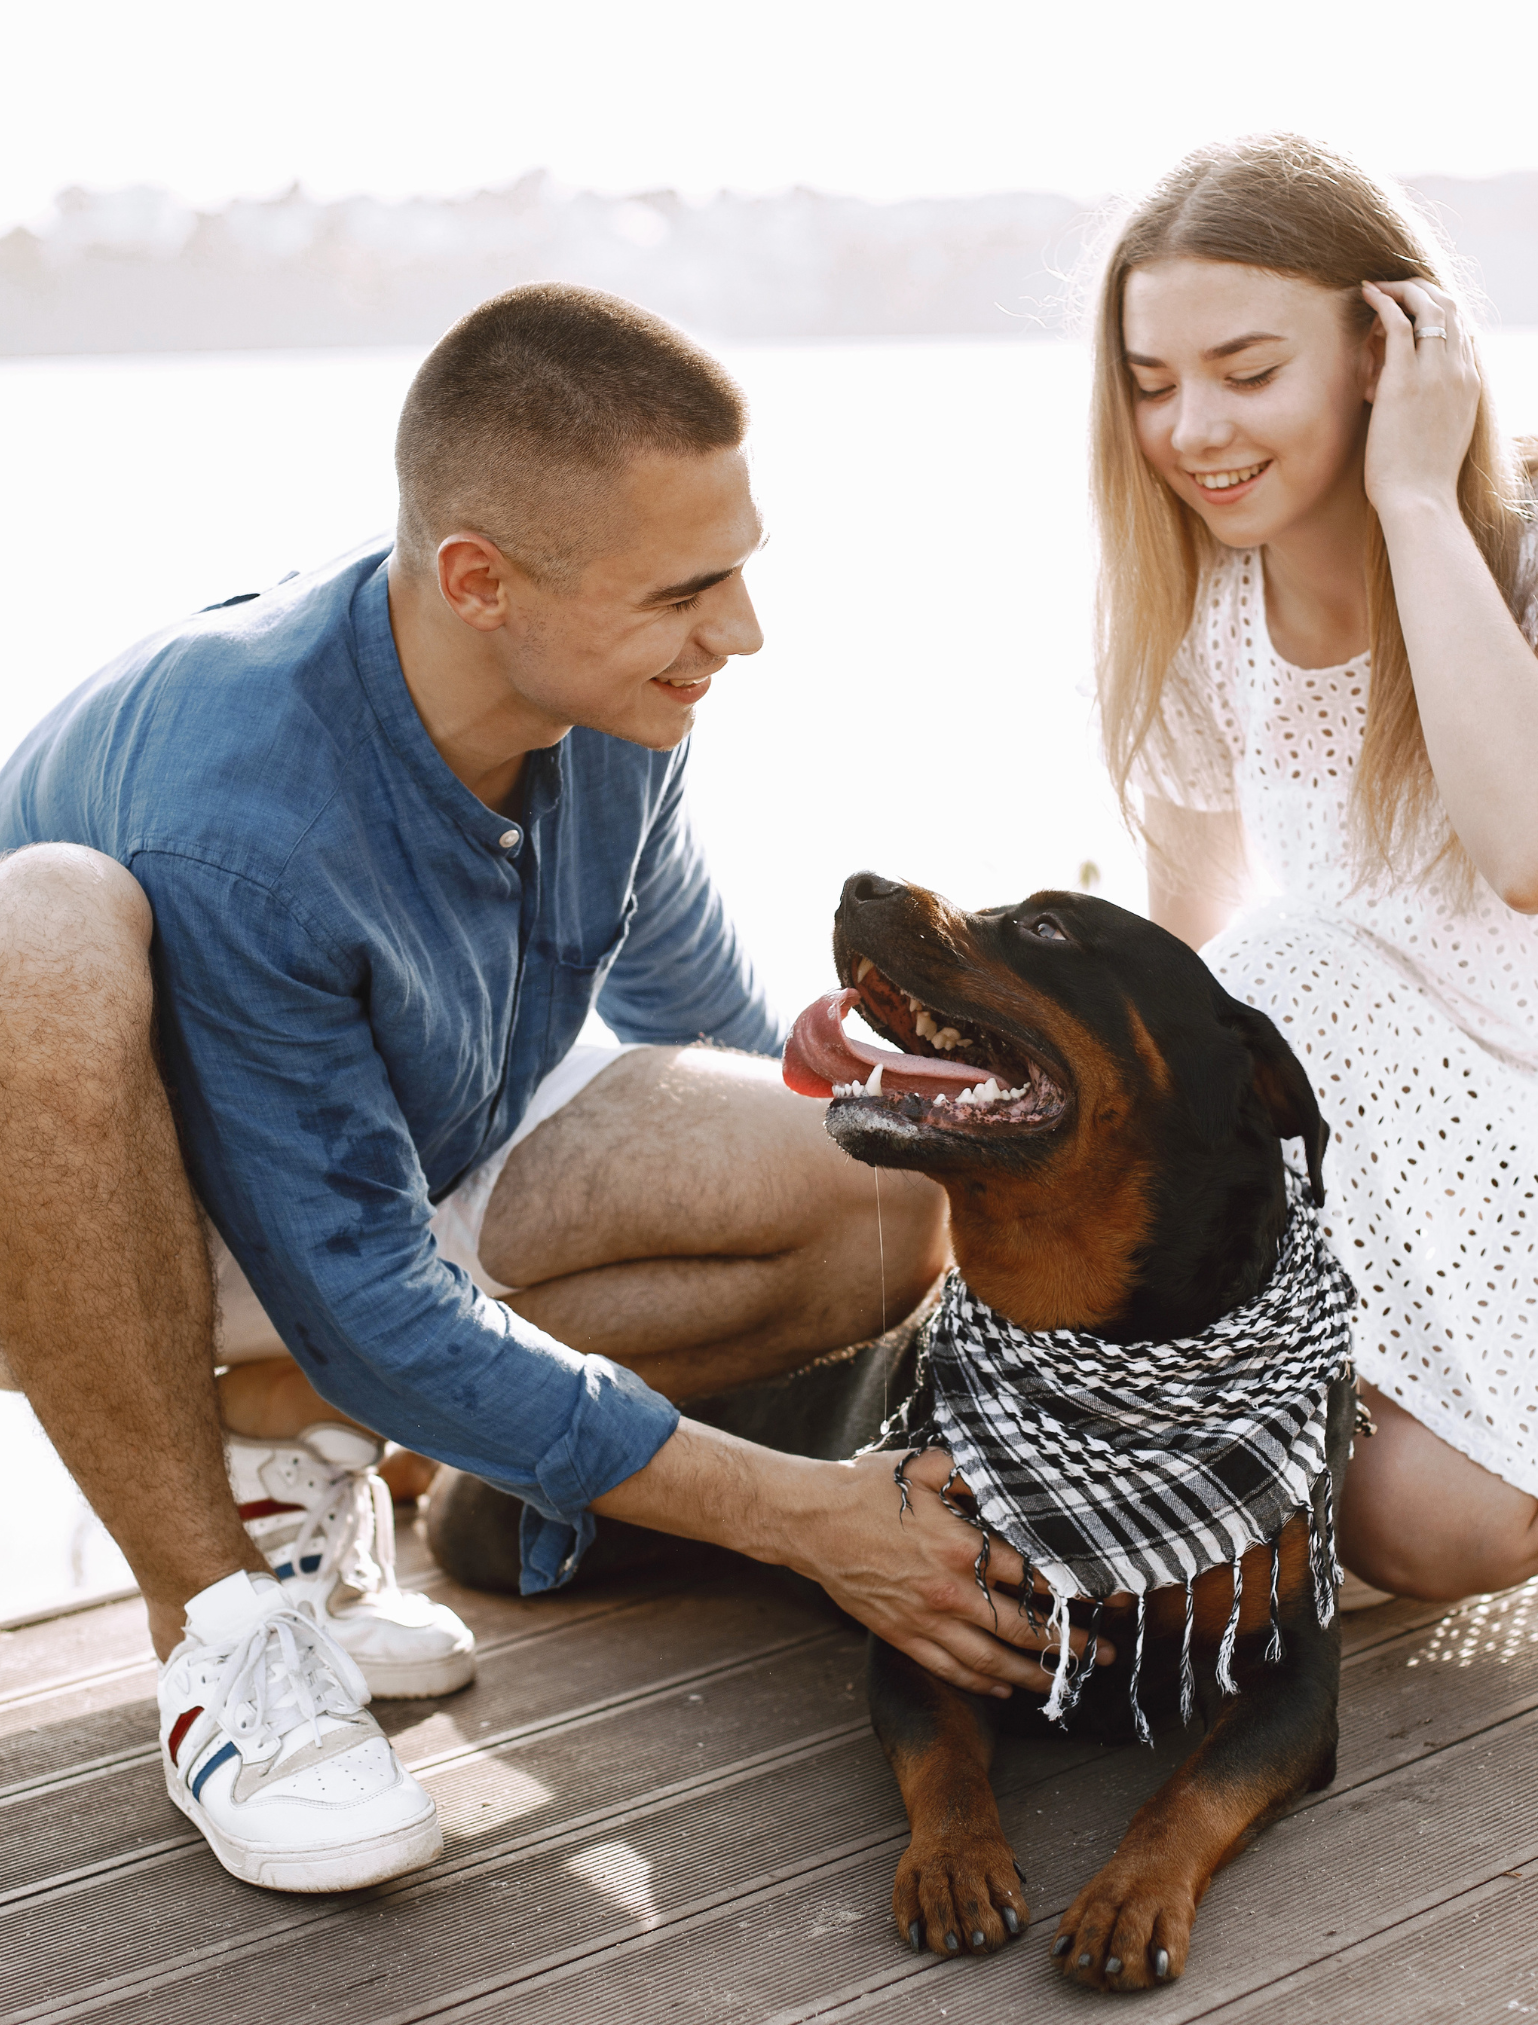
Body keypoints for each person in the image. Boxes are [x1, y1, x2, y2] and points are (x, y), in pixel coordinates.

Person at [0, 284, 1063, 1894]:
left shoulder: (617, 694)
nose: (742, 633)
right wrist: (803, 1512)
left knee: (861, 1186)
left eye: (742, 568)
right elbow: (361, 1288)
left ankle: (283, 1446)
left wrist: (842, 1068)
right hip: (68, 1219)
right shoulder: (245, 810)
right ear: (478, 580)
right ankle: (219, 1626)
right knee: (47, 930)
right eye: (687, 592)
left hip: (339, 1181)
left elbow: (676, 989)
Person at [1085, 135, 1538, 1607]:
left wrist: (1422, 503)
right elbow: (1180, 974)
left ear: (1386, 348)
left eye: (1248, 370)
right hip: (1397, 1188)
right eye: (1151, 381)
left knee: (1294, 956)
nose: (1193, 426)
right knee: (1248, 975)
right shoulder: (1202, 621)